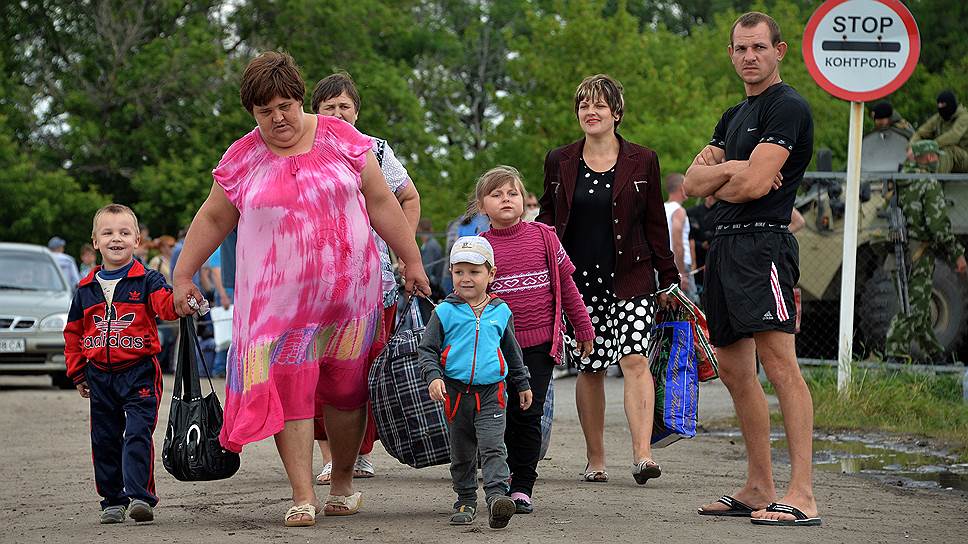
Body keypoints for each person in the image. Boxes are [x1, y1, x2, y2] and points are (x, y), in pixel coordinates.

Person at [171, 51, 430, 527]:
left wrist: (411, 259)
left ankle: (344, 481)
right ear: (252, 111)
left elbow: (381, 202)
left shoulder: (342, 140)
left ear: (299, 99)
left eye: (286, 106)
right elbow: (213, 216)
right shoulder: (244, 156)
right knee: (289, 394)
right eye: (265, 111)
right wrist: (183, 274)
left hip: (349, 304)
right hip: (278, 312)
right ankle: (302, 493)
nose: (278, 118)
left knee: (346, 394)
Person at [683, 12, 820, 526]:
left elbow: (754, 187)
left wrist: (730, 177)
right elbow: (692, 184)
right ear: (731, 53)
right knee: (736, 370)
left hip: (765, 247)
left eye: (759, 47)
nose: (749, 56)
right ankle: (760, 484)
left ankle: (802, 493)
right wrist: (731, 171)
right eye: (740, 48)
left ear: (779, 51)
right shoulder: (732, 114)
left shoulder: (789, 108)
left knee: (781, 366)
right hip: (724, 250)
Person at [537, 74, 678, 485]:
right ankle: (595, 459)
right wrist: (538, 262)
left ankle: (642, 456)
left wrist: (667, 276)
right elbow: (548, 217)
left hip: (631, 275)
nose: (590, 112)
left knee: (635, 359)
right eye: (583, 105)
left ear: (616, 113)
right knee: (591, 366)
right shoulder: (559, 160)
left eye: (599, 105)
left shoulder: (643, 159)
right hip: (578, 281)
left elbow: (655, 223)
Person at [309, 71, 422, 483]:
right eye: (328, 107)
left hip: (374, 282)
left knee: (364, 371)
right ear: (314, 112)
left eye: (344, 106)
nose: (337, 114)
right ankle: (328, 455)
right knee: (320, 371)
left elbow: (408, 196)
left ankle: (360, 452)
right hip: (314, 286)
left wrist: (403, 252)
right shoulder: (301, 149)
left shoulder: (375, 149)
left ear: (357, 111)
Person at [476, 166, 594, 514]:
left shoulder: (544, 236)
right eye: (496, 194)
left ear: (524, 200)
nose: (506, 199)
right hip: (495, 349)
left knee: (529, 412)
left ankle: (523, 485)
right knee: (501, 413)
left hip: (541, 344)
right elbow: (466, 295)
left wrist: (583, 326)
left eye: (512, 193)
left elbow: (568, 287)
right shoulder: (479, 247)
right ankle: (501, 475)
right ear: (482, 206)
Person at [63, 203, 179, 524]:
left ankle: (140, 496)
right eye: (108, 233)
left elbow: (167, 308)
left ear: (137, 240)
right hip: (99, 375)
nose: (117, 238)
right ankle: (112, 500)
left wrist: (182, 298)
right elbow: (73, 333)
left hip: (139, 370)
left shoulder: (148, 280)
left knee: (138, 433)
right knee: (104, 438)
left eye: (124, 232)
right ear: (95, 241)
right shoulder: (85, 289)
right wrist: (77, 373)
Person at [417, 236, 532, 529]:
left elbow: (511, 351)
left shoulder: (501, 311)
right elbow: (427, 350)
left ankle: (497, 499)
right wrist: (433, 377)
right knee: (463, 452)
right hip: (455, 393)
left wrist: (522, 383)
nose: (466, 278)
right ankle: (466, 499)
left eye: (474, 271)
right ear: (451, 273)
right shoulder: (443, 311)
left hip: (493, 393)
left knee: (494, 447)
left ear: (491, 274)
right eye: (459, 272)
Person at [885, 140, 968, 361]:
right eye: (936, 156)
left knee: (914, 307)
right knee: (914, 310)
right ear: (930, 157)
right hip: (919, 254)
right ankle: (893, 355)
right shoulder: (928, 183)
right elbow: (938, 226)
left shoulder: (900, 181)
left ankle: (936, 356)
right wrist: (956, 253)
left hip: (898, 253)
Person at [909, 90, 968, 173]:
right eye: (939, 105)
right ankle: (913, 178)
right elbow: (920, 133)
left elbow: (954, 136)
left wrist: (929, 146)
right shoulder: (938, 118)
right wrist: (912, 147)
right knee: (919, 151)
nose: (941, 108)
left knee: (947, 149)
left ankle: (936, 182)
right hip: (943, 157)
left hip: (964, 158)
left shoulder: (964, 117)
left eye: (943, 105)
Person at [664, 173, 697, 301]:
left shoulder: (662, 209)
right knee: (692, 305)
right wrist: (682, 273)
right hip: (679, 265)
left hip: (663, 265)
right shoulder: (679, 211)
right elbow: (677, 242)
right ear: (681, 187)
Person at [687, 195, 717, 293]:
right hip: (697, 256)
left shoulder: (720, 212)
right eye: (710, 195)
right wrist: (700, 245)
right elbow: (688, 237)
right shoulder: (692, 212)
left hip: (715, 256)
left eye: (714, 196)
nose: (711, 198)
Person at [418, 218, 444, 295]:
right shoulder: (429, 244)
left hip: (432, 286)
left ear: (419, 230)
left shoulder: (430, 246)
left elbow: (427, 269)